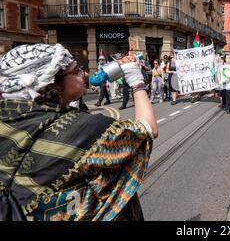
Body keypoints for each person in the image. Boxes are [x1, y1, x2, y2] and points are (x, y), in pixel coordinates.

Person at [0, 43, 157, 221]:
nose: (84, 74)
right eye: (76, 71)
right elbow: (147, 128)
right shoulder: (85, 130)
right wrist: (136, 81)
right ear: (52, 81)